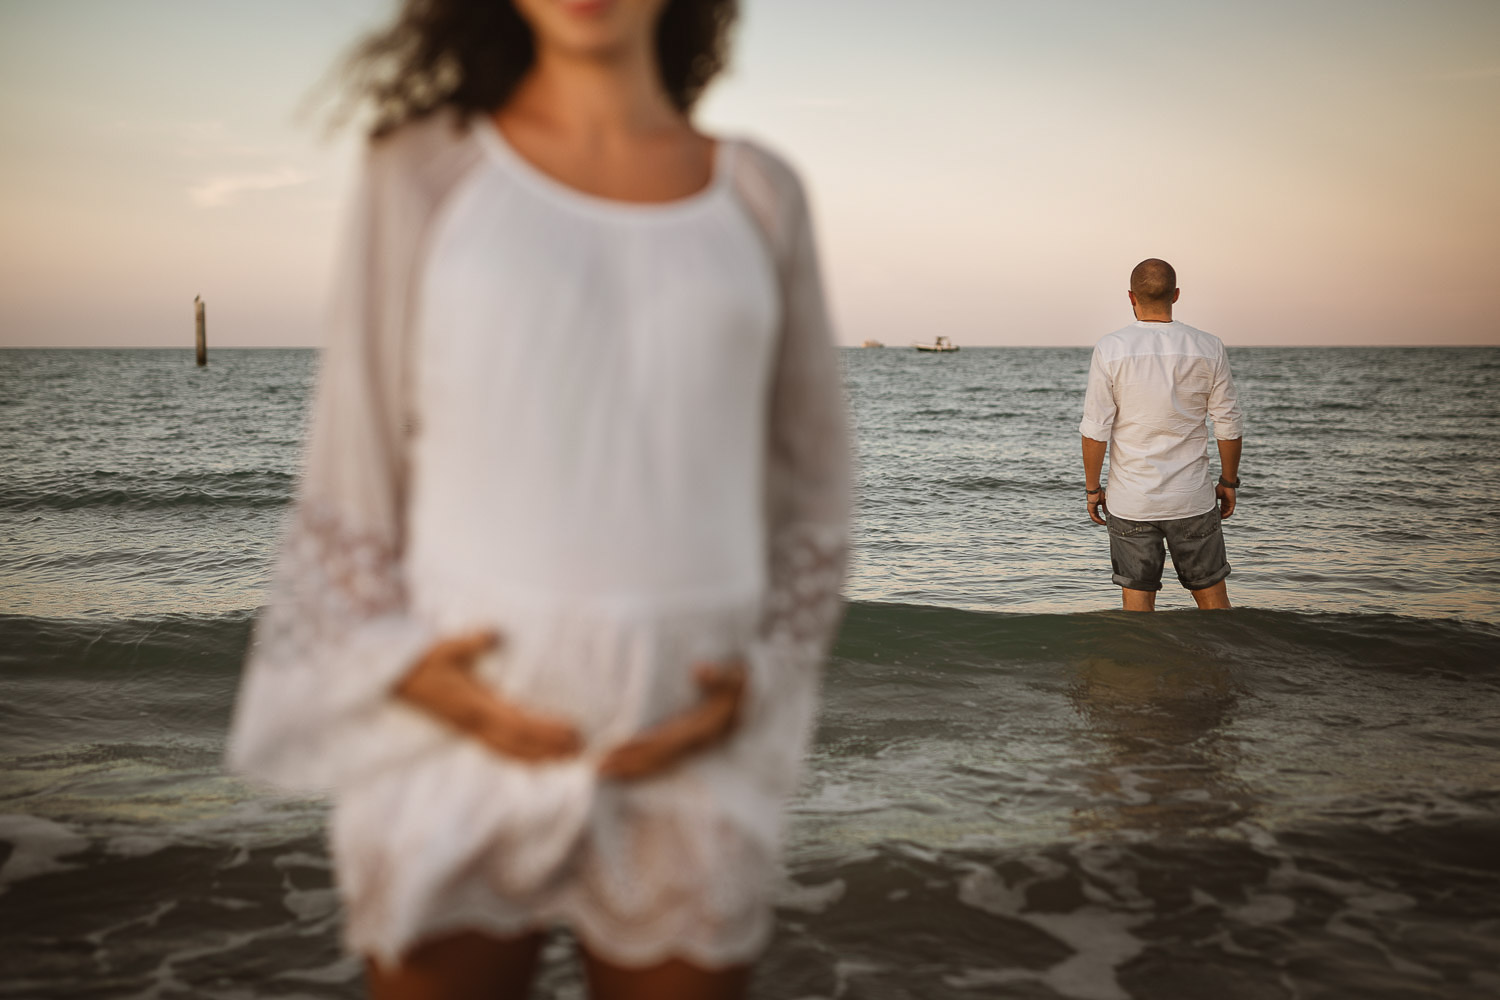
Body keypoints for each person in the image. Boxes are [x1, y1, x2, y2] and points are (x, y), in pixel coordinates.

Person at [226, 1, 851, 997]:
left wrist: (765, 674)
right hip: (461, 729)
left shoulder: (761, 194)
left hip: (685, 740)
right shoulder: (424, 168)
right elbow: (357, 462)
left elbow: (814, 480)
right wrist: (398, 665)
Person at [1079, 258, 1242, 612]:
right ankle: (1223, 667)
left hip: (1131, 501)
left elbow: (1095, 429)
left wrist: (1093, 490)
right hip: (1192, 499)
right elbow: (1227, 424)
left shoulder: (1111, 348)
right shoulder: (1209, 346)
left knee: (1137, 610)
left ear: (1130, 297)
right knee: (1214, 601)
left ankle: (1141, 668)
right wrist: (1228, 482)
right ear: (1177, 295)